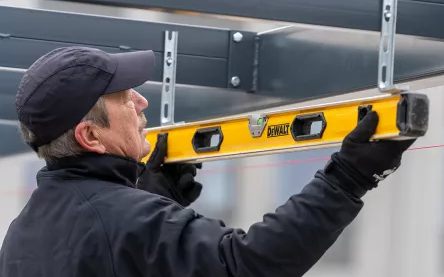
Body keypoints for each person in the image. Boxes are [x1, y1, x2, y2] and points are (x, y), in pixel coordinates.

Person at [0, 46, 415, 277]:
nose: (142, 101)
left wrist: (149, 199)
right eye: (125, 99)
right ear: (90, 136)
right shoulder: (123, 219)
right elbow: (247, 265)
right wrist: (347, 178)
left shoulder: (22, 233)